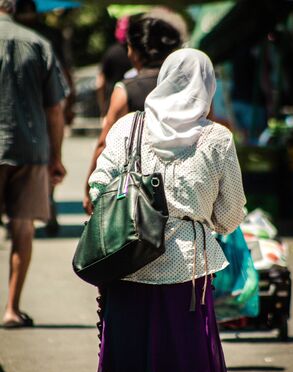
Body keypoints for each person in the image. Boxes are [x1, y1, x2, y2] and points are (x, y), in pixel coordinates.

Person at [86, 48, 246, 372]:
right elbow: (229, 215)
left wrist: (128, 209)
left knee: (131, 364)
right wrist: (192, 213)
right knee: (183, 367)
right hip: (188, 274)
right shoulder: (217, 138)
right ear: (207, 86)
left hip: (126, 264)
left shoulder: (128, 127)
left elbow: (97, 184)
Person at [0, 0, 68, 328]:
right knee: (23, 227)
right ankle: (12, 309)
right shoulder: (38, 43)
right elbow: (55, 108)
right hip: (30, 148)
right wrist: (56, 156)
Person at [83, 15, 183, 215]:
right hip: (181, 183)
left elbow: (105, 143)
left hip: (138, 190)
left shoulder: (126, 90)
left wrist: (90, 186)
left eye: (129, 47)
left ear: (137, 52)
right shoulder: (189, 88)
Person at [14, 0, 75, 236]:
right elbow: (66, 73)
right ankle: (47, 206)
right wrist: (69, 104)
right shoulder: (49, 35)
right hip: (46, 108)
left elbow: (65, 72)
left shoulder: (40, 35)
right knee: (48, 160)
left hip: (25, 110)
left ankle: (24, 211)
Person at [96, 15, 132, 118]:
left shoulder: (110, 52)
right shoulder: (139, 53)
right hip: (133, 108)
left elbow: (99, 84)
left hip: (112, 107)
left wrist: (103, 108)